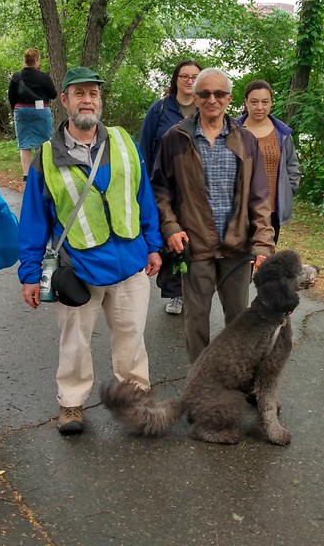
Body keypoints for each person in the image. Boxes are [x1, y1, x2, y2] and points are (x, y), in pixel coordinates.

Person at [18, 66, 163, 435]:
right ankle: (71, 404)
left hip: (130, 261)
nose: (88, 99)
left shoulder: (124, 142)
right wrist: (30, 274)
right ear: (64, 101)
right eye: (79, 93)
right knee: (75, 342)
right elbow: (33, 220)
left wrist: (153, 245)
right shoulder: (47, 157)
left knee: (132, 338)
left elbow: (142, 195)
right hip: (78, 269)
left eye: (94, 93)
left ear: (100, 100)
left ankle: (136, 398)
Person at [152, 67, 275, 363]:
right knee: (196, 321)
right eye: (205, 93)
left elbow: (260, 199)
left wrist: (262, 244)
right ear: (195, 98)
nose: (212, 99)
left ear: (229, 99)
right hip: (195, 247)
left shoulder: (246, 141)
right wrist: (170, 227)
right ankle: (200, 383)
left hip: (237, 247)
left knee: (239, 321)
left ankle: (238, 378)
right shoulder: (175, 138)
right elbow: (160, 191)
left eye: (219, 93)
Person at [139, 58, 202, 315]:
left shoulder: (205, 109)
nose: (189, 81)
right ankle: (175, 293)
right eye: (184, 76)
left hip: (197, 189)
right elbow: (144, 148)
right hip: (163, 187)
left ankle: (194, 290)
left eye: (194, 76)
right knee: (172, 242)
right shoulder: (161, 109)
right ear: (176, 79)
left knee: (196, 241)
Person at [234, 80, 301, 244]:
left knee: (265, 262)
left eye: (265, 102)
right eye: (254, 102)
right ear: (246, 102)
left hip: (270, 211)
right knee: (237, 264)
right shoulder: (231, 130)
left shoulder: (282, 134)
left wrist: (287, 192)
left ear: (271, 103)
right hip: (236, 210)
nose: (259, 107)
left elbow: (293, 168)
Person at [9, 47, 58, 181]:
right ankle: (41, 172)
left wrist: (17, 110)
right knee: (42, 142)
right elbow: (53, 95)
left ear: (24, 60)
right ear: (37, 60)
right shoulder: (43, 77)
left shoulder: (16, 76)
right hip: (41, 111)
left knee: (24, 144)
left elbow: (11, 97)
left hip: (21, 111)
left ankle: (26, 174)